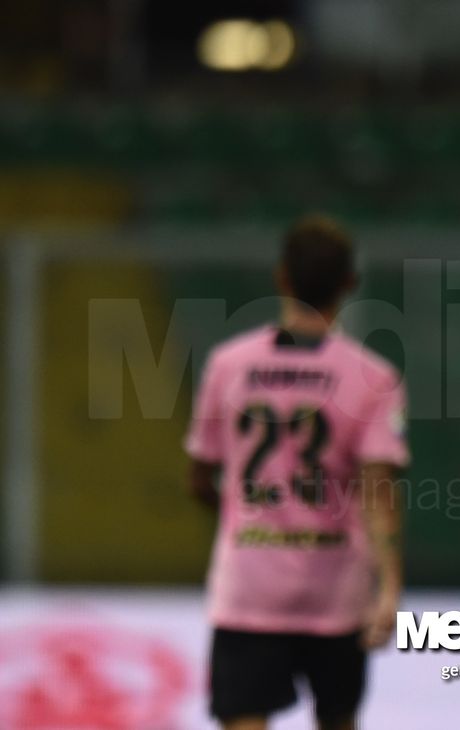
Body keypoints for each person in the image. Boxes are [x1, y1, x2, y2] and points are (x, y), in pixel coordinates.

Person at [184, 216, 409, 730]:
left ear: (281, 277)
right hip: (335, 592)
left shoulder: (228, 365)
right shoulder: (372, 376)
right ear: (350, 283)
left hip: (249, 588)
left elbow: (200, 475)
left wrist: (240, 515)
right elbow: (379, 492)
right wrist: (389, 588)